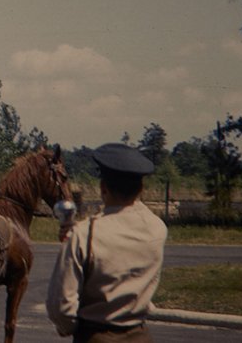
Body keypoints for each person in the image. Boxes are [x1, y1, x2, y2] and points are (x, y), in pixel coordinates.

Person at [46, 143, 167, 342]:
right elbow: (125, 224)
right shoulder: (157, 228)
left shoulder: (84, 235)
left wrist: (71, 328)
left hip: (96, 335)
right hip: (140, 335)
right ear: (141, 188)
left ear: (103, 188)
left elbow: (61, 307)